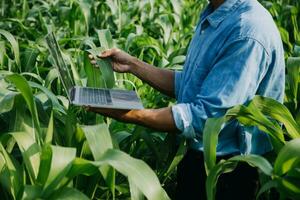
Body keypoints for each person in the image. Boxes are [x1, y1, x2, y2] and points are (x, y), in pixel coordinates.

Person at [88, 0, 285, 199]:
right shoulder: (216, 13)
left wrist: (131, 114)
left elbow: (207, 118)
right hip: (201, 158)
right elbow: (194, 84)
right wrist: (132, 64)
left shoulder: (246, 31)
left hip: (225, 173)